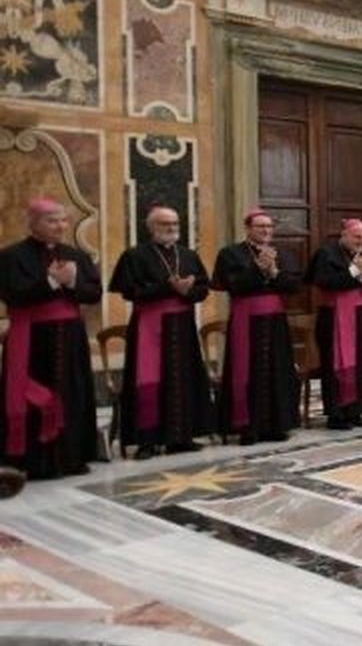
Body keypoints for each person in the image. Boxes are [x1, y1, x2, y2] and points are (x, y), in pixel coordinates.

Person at [0, 198, 102, 478]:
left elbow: (94, 293)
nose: (60, 226)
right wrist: (51, 282)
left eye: (64, 220)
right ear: (33, 223)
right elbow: (11, 294)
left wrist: (72, 283)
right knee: (31, 398)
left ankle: (72, 458)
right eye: (52, 220)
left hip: (70, 338)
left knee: (73, 394)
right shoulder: (10, 256)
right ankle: (32, 461)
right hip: (31, 338)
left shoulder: (75, 255)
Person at [110, 206, 213, 458]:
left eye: (175, 223)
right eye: (165, 224)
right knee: (148, 381)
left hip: (182, 326)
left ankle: (181, 437)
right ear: (151, 227)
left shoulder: (188, 255)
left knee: (183, 379)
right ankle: (147, 442)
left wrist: (188, 291)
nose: (172, 228)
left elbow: (203, 289)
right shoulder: (134, 256)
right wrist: (167, 287)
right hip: (149, 325)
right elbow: (128, 291)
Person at [212, 209, 301, 444]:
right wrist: (257, 269)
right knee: (245, 370)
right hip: (245, 319)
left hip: (275, 322)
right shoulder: (231, 253)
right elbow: (232, 285)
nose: (266, 231)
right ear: (248, 228)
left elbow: (293, 286)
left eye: (269, 227)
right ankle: (246, 427)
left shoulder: (284, 253)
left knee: (277, 369)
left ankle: (278, 425)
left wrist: (273, 272)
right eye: (261, 226)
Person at [308, 219, 362, 431]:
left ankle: (356, 411)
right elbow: (325, 282)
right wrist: (353, 271)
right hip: (333, 318)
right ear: (344, 235)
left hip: (361, 318)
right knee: (335, 365)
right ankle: (336, 415)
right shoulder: (326, 254)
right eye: (357, 236)